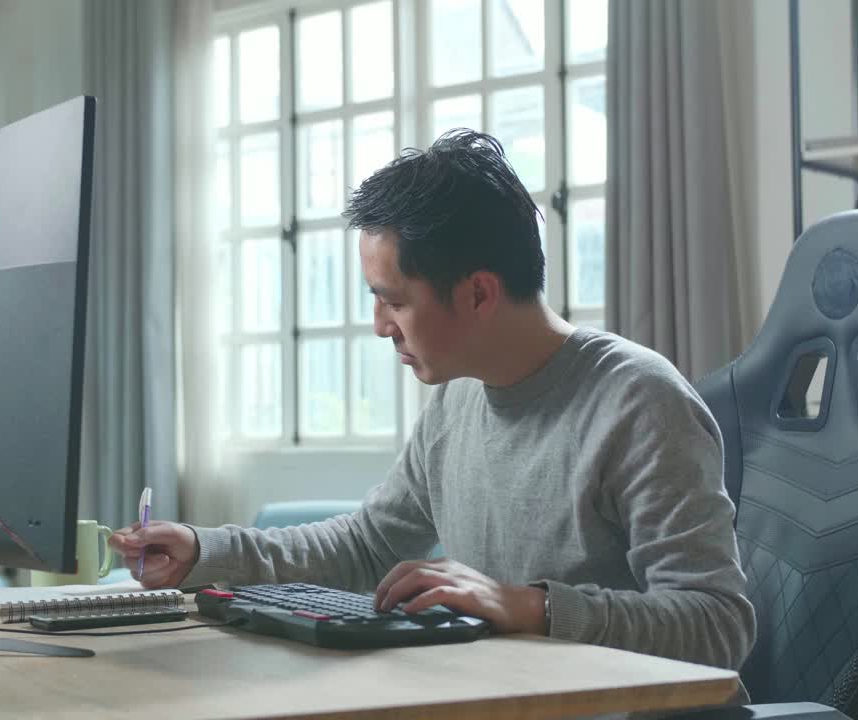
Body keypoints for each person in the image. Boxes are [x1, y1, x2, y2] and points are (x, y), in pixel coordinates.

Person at [111, 130, 756, 675]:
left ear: (478, 293)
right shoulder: (457, 400)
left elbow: (718, 624)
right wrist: (203, 549)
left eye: (394, 299)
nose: (378, 324)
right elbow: (367, 545)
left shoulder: (639, 403)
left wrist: (530, 605)